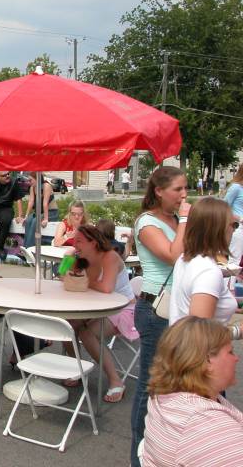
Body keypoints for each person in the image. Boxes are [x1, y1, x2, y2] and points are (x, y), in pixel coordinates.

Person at [130, 166, 191, 467]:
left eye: (185, 189)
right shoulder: (147, 222)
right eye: (178, 189)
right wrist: (187, 220)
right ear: (159, 191)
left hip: (178, 306)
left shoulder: (176, 220)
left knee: (176, 384)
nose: (184, 195)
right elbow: (171, 254)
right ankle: (138, 456)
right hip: (156, 308)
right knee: (150, 386)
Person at [142, 317, 243, 467]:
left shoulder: (164, 396)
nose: (237, 358)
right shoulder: (206, 426)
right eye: (230, 352)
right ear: (207, 361)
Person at [66, 225, 137, 403]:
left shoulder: (110, 256)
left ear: (94, 243)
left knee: (87, 333)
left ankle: (115, 380)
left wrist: (83, 281)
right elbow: (62, 276)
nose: (76, 244)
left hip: (123, 309)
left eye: (79, 241)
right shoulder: (82, 258)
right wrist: (67, 259)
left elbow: (107, 288)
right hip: (97, 308)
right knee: (67, 325)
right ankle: (76, 368)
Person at [168, 197, 237, 326]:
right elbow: (200, 333)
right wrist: (238, 331)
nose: (234, 230)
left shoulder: (185, 259)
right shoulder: (208, 271)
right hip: (202, 345)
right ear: (218, 229)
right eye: (234, 225)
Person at [22, 172, 58, 248]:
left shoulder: (46, 186)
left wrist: (45, 219)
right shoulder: (33, 187)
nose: (29, 182)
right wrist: (26, 216)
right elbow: (31, 202)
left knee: (35, 221)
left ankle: (30, 247)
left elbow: (45, 203)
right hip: (39, 212)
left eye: (30, 180)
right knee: (28, 221)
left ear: (37, 179)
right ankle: (25, 247)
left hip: (51, 213)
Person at [223, 163, 243, 266]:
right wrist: (239, 218)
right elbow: (223, 206)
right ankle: (228, 282)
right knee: (234, 262)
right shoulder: (236, 187)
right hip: (239, 228)